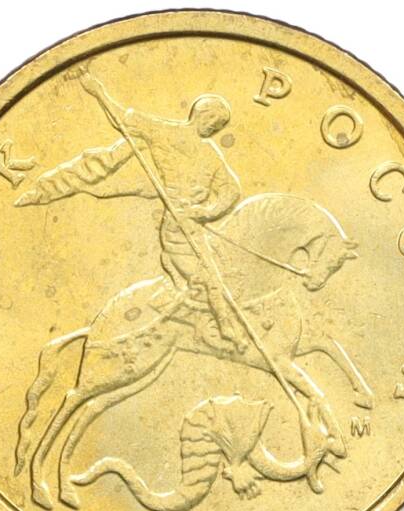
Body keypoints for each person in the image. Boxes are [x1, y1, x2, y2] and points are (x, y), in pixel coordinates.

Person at [16, 72, 247, 352]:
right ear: (201, 114)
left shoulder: (209, 152)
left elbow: (231, 190)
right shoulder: (165, 133)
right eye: (213, 120)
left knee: (225, 271)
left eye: (219, 125)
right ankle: (223, 329)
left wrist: (204, 211)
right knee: (207, 277)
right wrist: (98, 91)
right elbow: (122, 120)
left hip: (194, 223)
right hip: (176, 227)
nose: (214, 127)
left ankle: (204, 316)